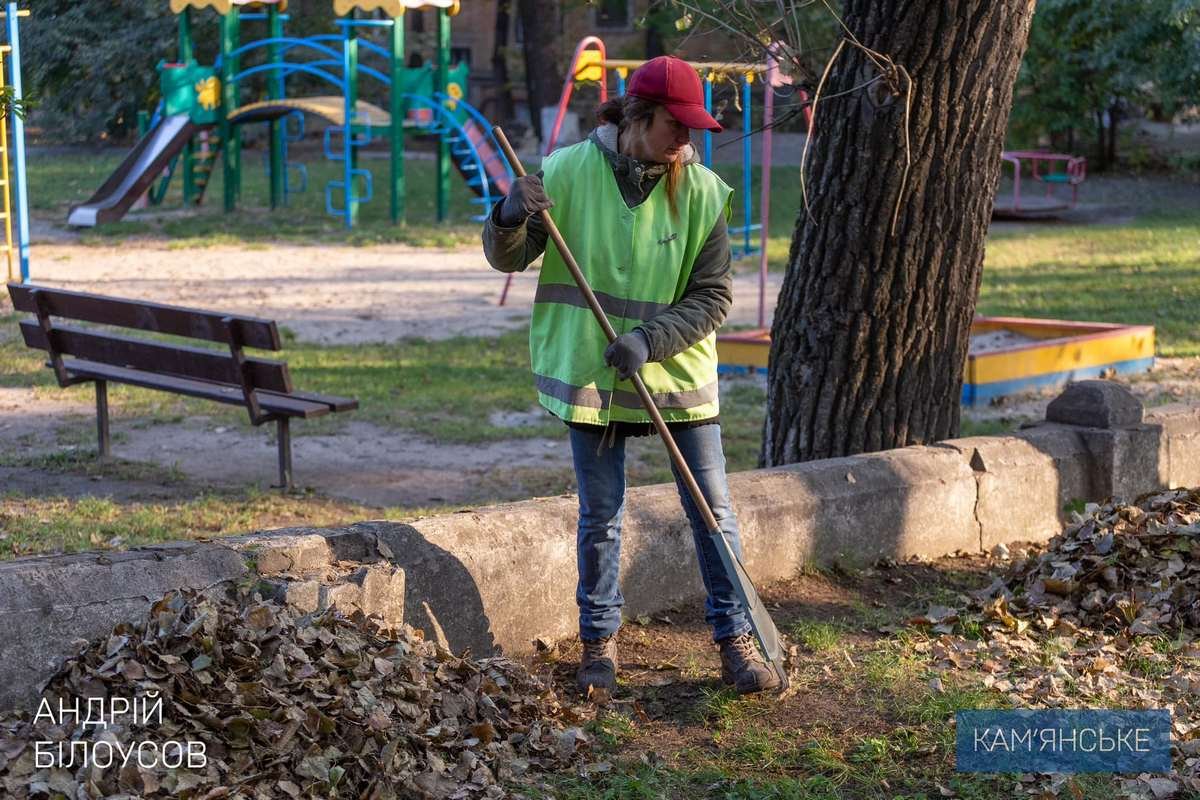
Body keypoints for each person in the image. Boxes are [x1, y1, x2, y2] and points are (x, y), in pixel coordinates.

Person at [482, 56, 780, 696]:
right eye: (677, 124)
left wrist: (648, 339)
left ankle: (735, 640)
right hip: (592, 375)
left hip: (678, 374)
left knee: (713, 513)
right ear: (638, 117)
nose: (686, 138)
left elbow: (712, 296)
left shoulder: (703, 191)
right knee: (601, 516)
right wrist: (508, 213)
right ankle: (598, 645)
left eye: (693, 127)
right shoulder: (565, 171)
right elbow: (508, 258)